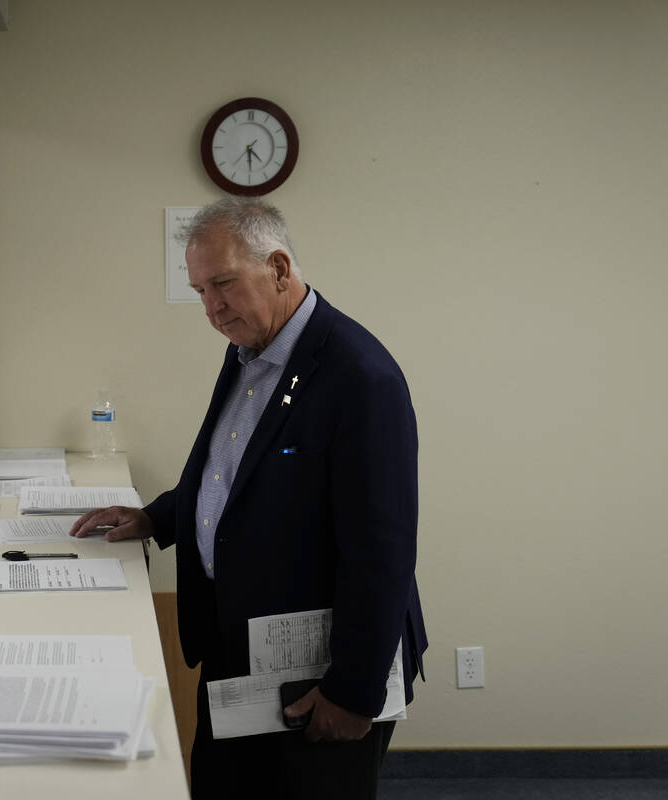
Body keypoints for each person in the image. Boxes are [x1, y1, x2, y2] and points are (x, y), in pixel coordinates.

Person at [69, 197, 427, 799]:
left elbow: (382, 554)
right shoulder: (251, 350)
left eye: (223, 284)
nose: (211, 308)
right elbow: (226, 472)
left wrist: (353, 693)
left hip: (321, 673)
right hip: (242, 649)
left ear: (280, 268)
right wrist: (156, 517)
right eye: (200, 290)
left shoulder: (360, 378)